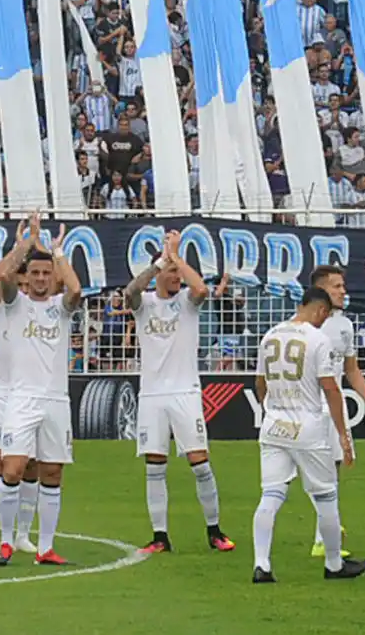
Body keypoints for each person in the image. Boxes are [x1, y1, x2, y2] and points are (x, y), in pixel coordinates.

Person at [123, 231, 234, 554]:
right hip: (152, 396)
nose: (174, 277)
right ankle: (160, 537)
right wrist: (160, 261)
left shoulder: (187, 302)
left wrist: (178, 257)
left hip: (185, 392)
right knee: (155, 466)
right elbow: (130, 291)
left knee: (200, 463)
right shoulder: (144, 304)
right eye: (169, 272)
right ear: (158, 273)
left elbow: (200, 288)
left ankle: (214, 530)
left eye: (177, 272)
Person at [251, 287, 365, 584]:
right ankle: (333, 564)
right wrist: (343, 434)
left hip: (274, 426)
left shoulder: (270, 336)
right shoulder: (318, 340)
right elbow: (330, 388)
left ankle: (261, 564)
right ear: (319, 311)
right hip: (308, 428)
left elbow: (260, 383)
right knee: (326, 496)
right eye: (324, 315)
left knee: (271, 495)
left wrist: (270, 408)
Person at [0, 214, 82, 567]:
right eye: (35, 273)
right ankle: (7, 542)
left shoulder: (61, 308)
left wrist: (57, 252)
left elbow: (75, 290)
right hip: (22, 399)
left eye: (46, 273)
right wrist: (25, 245)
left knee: (53, 474)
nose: (41, 278)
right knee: (11, 470)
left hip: (56, 400)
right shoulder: (16, 304)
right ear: (25, 278)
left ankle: (45, 548)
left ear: (53, 276)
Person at [307, 265, 365, 559]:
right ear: (322, 290)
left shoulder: (345, 325)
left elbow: (351, 369)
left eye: (343, 286)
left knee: (333, 471)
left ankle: (323, 536)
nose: (343, 291)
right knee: (292, 479)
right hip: (308, 409)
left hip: (334, 409)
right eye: (337, 286)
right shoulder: (304, 324)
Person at [0, 253, 39, 556]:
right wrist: (20, 246)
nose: (26, 289)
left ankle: (23, 535)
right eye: (21, 283)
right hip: (3, 392)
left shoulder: (39, 312)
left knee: (31, 465)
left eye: (30, 284)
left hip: (33, 395)